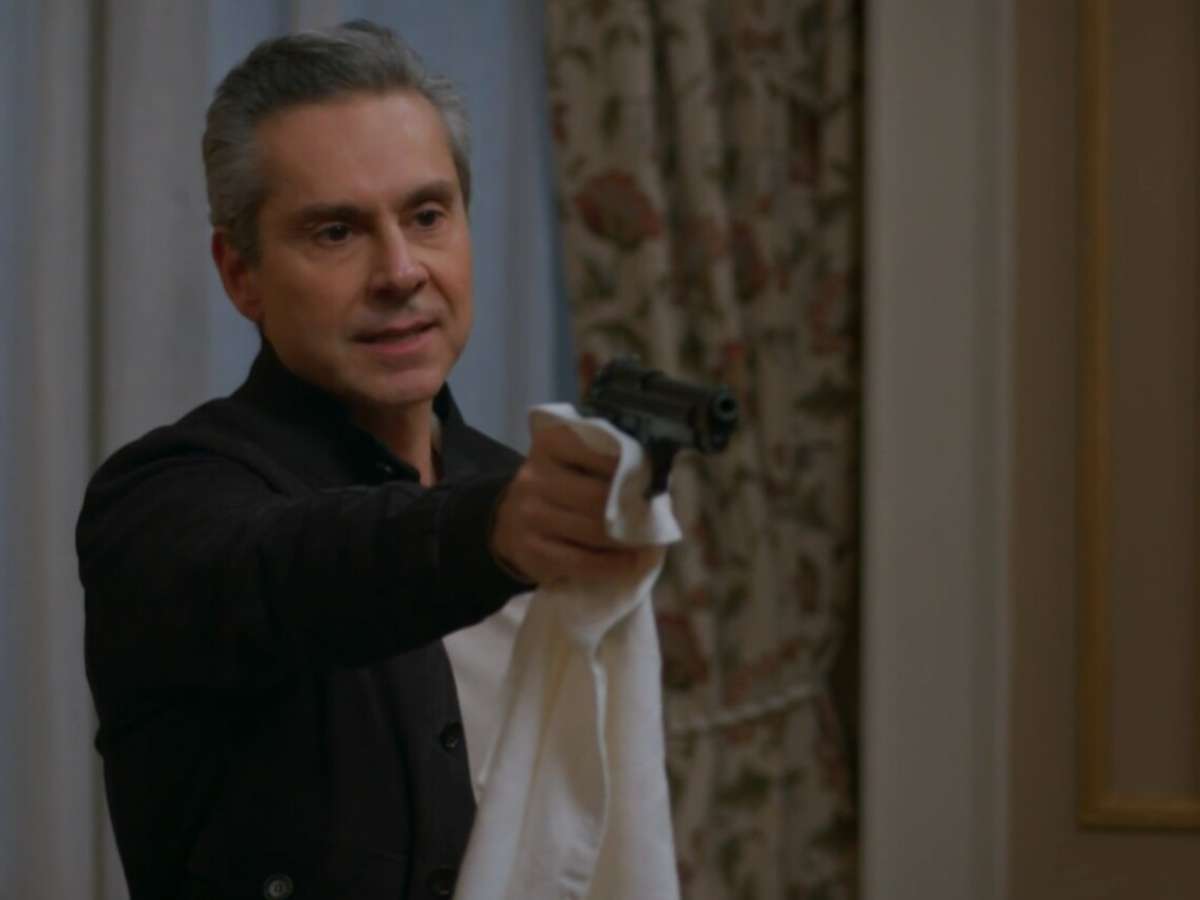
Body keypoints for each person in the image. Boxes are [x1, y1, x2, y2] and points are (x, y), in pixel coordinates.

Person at [76, 20, 645, 900]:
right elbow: (288, 570)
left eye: (427, 215)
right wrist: (491, 535)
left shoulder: (522, 496)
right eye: (336, 232)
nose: (401, 271)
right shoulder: (157, 501)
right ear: (240, 274)